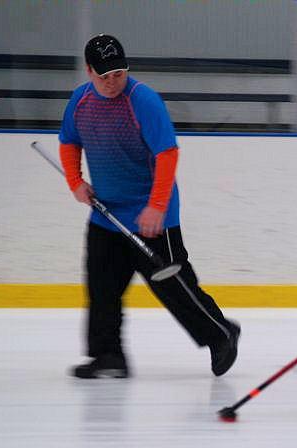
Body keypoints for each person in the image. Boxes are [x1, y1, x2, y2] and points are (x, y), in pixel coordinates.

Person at [59, 34, 240, 379]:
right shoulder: (80, 102)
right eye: (104, 76)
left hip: (152, 215)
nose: (112, 82)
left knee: (172, 285)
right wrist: (75, 183)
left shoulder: (143, 101)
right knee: (101, 286)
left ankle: (221, 334)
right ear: (89, 72)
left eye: (118, 74)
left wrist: (157, 206)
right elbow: (69, 142)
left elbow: (167, 153)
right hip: (106, 215)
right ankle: (108, 356)